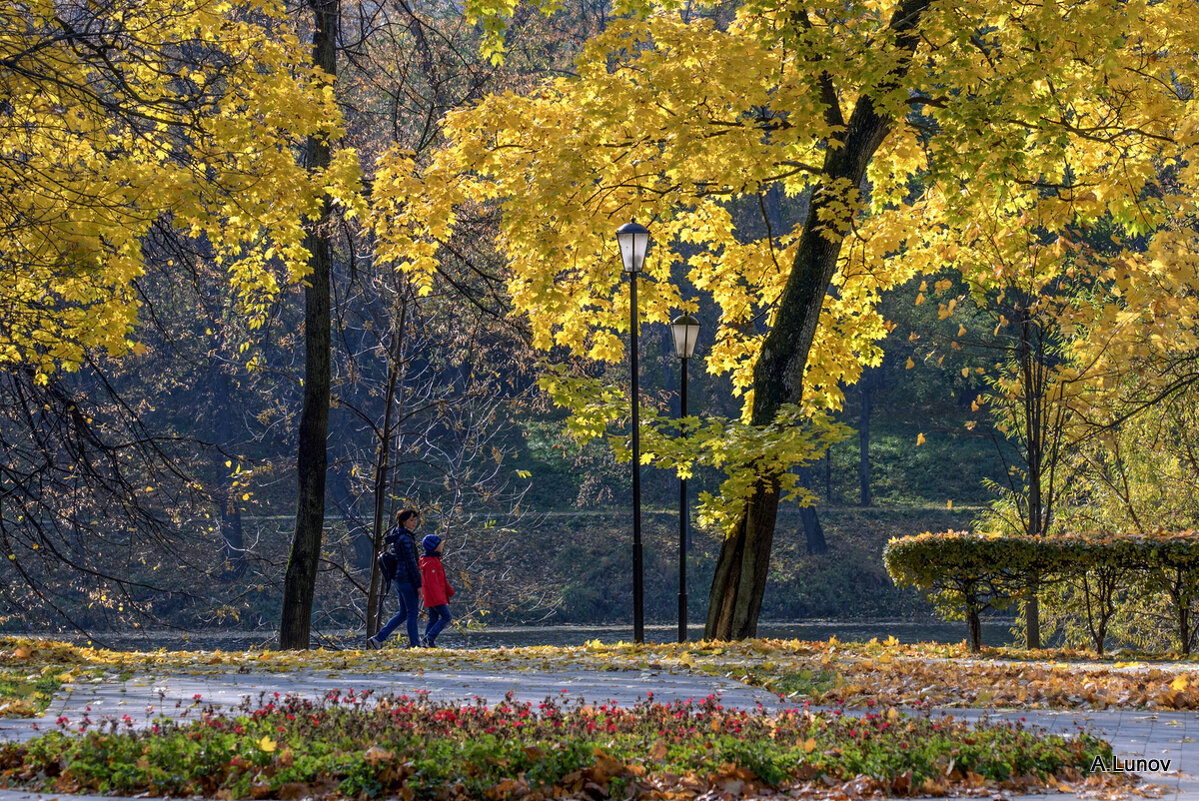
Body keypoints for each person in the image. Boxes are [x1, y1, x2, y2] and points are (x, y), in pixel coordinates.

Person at [367, 509, 422, 649]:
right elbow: (411, 563)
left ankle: (377, 639)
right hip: (407, 579)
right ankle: (415, 644)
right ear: (404, 521)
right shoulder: (405, 539)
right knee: (412, 612)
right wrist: (419, 584)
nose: (414, 522)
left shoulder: (397, 536)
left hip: (399, 579)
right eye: (411, 520)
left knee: (404, 613)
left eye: (415, 519)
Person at [419, 533, 454, 647]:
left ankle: (427, 642)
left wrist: (449, 591)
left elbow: (441, 580)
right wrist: (438, 598)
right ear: (434, 547)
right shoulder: (430, 563)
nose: (442, 546)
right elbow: (432, 583)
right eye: (440, 544)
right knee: (446, 617)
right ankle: (429, 638)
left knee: (433, 618)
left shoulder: (434, 560)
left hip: (434, 596)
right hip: (435, 597)